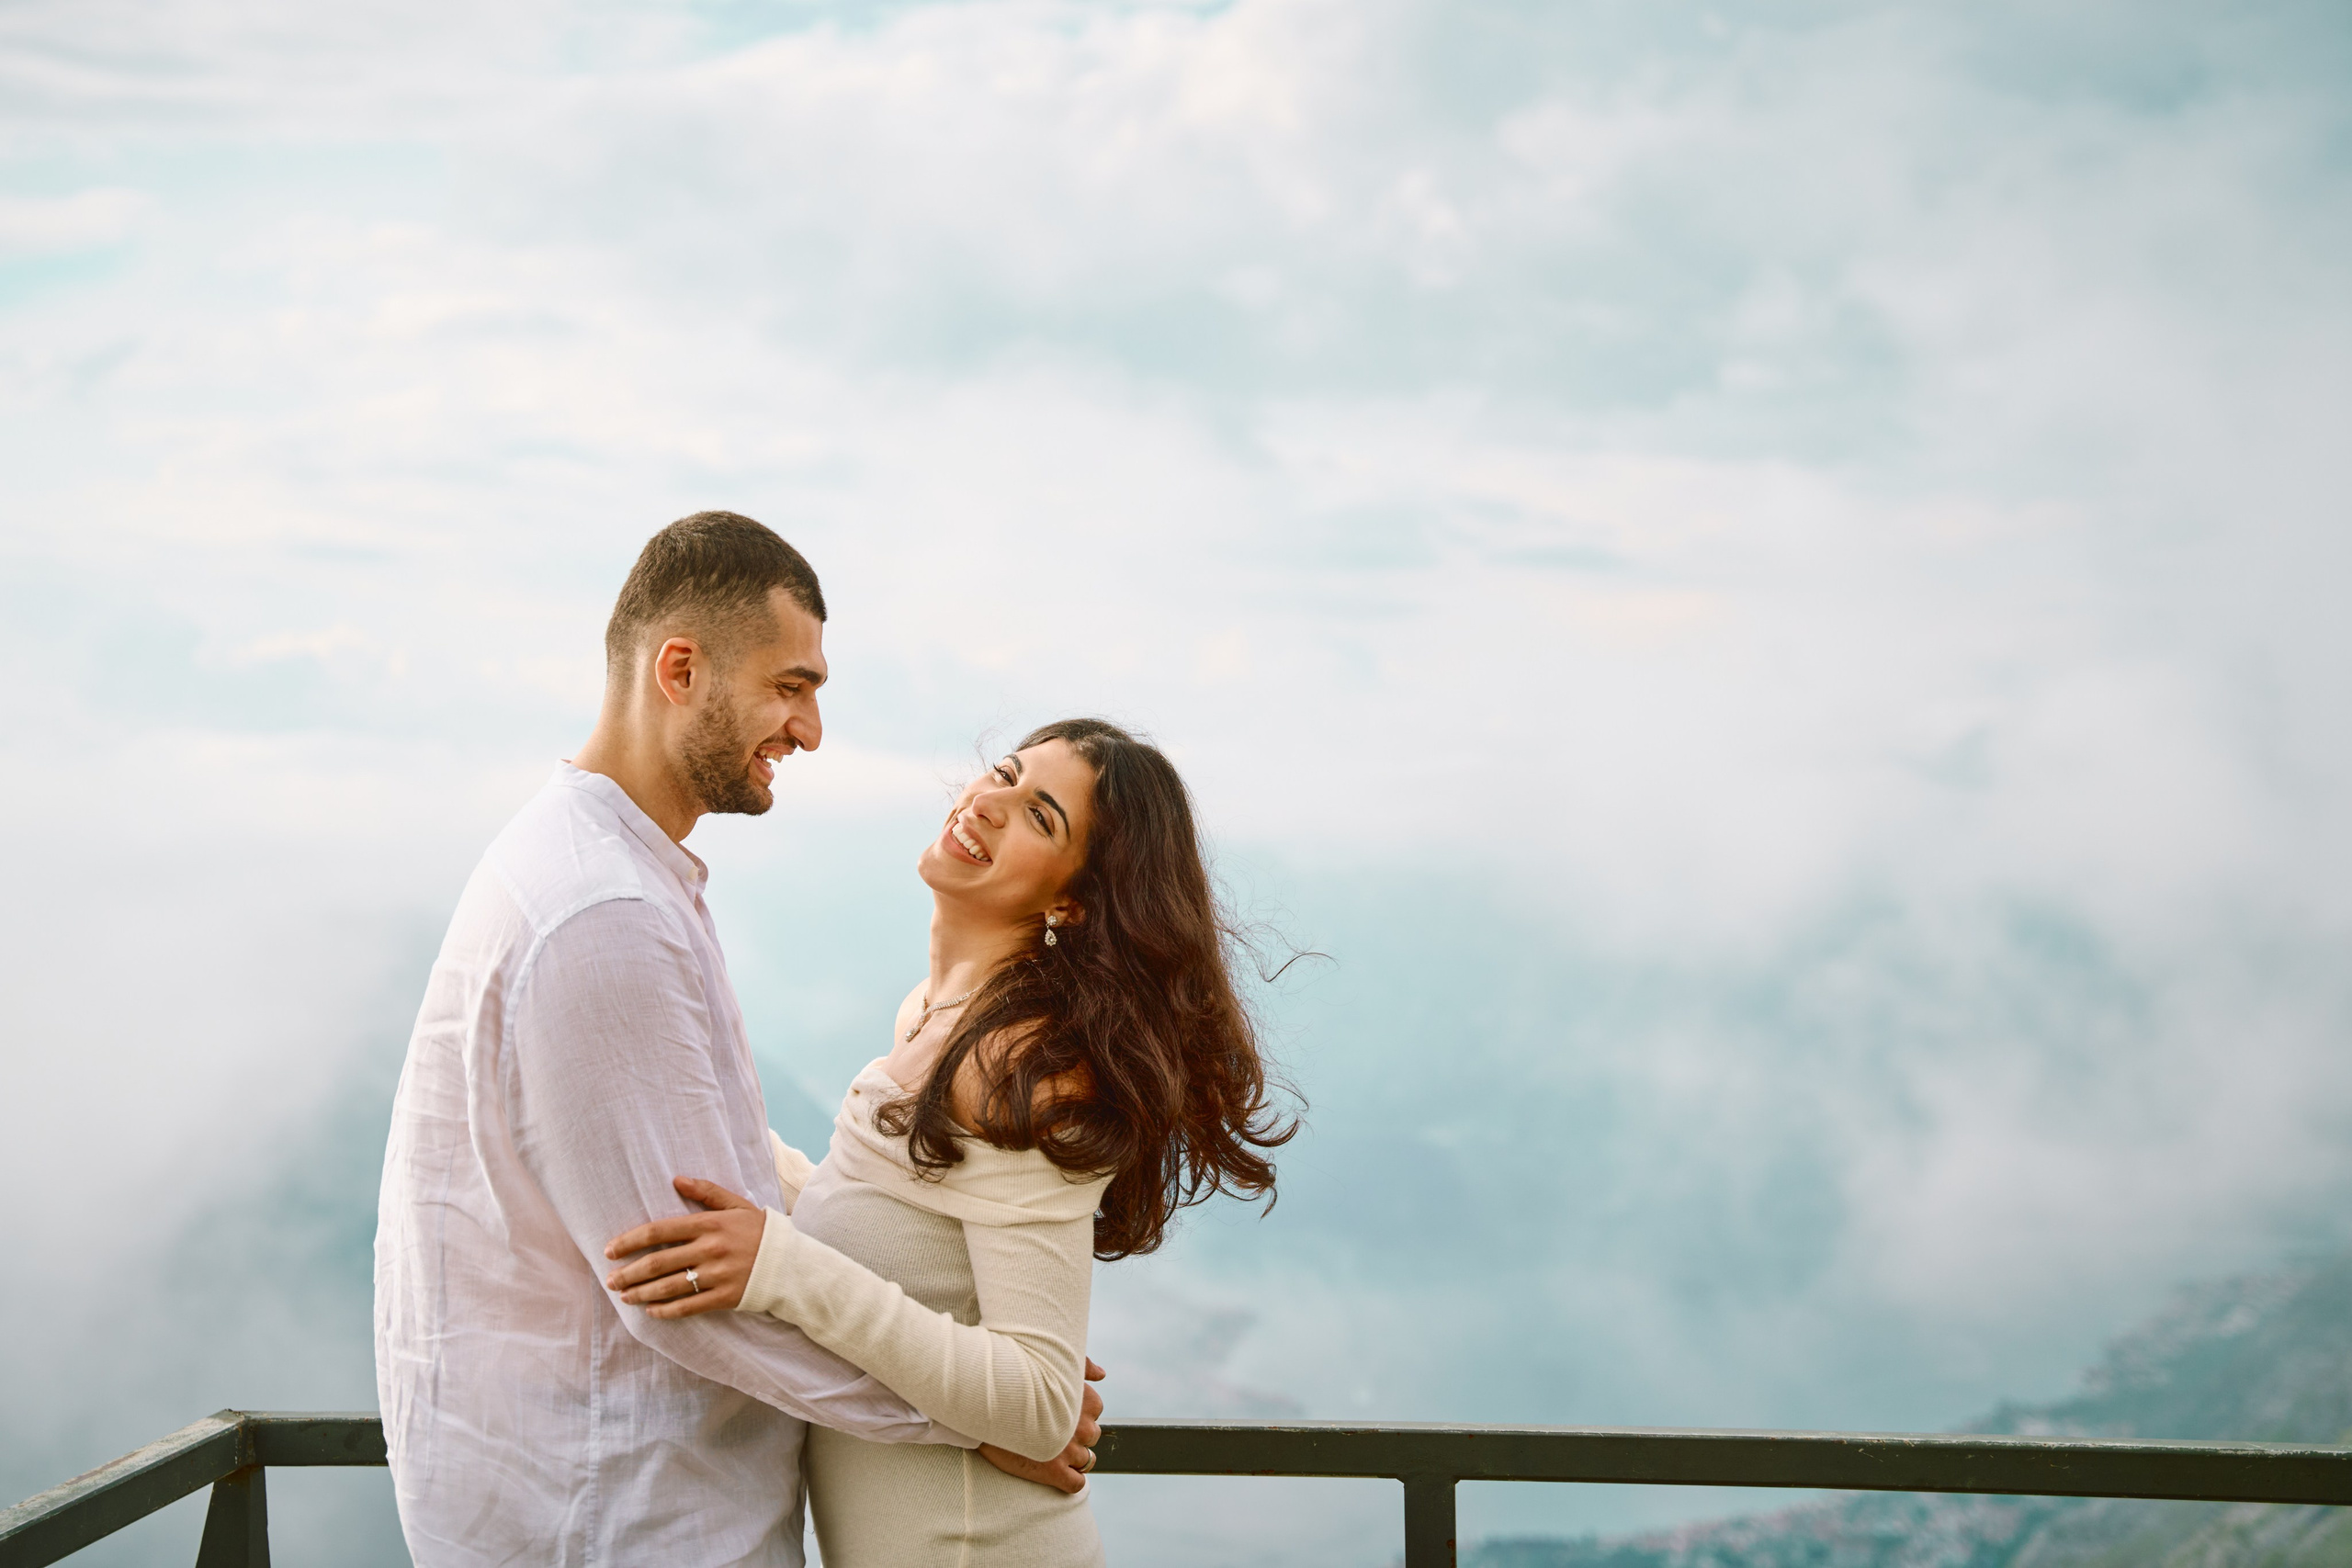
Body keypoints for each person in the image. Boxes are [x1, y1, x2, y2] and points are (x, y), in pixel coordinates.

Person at [374, 512, 1094, 1568]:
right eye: (789, 686)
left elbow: (720, 1204)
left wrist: (996, 1388)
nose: (807, 730)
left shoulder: (610, 873)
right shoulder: (601, 913)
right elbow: (683, 1298)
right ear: (680, 670)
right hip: (624, 1521)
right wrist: (979, 1418)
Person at [598, 716, 1298, 1567]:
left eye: (1042, 815)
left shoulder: (1025, 1068)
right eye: (1005, 772)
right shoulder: (933, 1016)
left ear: (1072, 898)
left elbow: (1041, 1401)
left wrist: (780, 1268)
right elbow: (876, 1223)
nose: (989, 802)